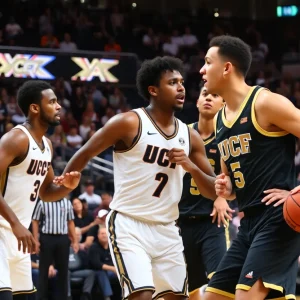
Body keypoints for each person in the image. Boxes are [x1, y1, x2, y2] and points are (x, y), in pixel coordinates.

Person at [55, 56, 232, 300]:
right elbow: (85, 152)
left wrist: (190, 166)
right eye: (172, 82)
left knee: (177, 297)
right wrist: (68, 180)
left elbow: (213, 191)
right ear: (153, 90)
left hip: (168, 228)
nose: (181, 87)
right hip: (129, 224)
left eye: (181, 82)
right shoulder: (129, 122)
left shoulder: (189, 136)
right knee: (142, 295)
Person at [200, 35, 300, 300]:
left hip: (279, 217)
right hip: (248, 222)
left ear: (227, 68)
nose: (201, 70)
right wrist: (227, 188)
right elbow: (232, 185)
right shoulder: (220, 120)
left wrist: (298, 191)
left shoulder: (265, 103)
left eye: (207, 62)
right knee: (213, 297)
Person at [0, 80, 80, 300]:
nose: (59, 106)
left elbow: (46, 192)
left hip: (19, 237)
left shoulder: (47, 145)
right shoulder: (16, 139)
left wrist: (66, 188)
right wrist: (16, 224)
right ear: (35, 108)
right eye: (52, 101)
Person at [178, 86, 232, 300]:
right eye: (204, 94)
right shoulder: (181, 134)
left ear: (224, 105)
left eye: (215, 95)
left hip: (212, 220)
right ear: (198, 102)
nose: (208, 98)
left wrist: (220, 197)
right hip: (180, 220)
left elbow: (233, 174)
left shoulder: (226, 137)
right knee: (186, 286)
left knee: (220, 281)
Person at [32, 197, 78, 300]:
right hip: (47, 237)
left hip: (63, 238)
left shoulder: (67, 202)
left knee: (63, 271)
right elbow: (35, 220)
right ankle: (41, 298)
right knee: (43, 271)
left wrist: (75, 240)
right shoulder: (43, 202)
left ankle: (62, 298)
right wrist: (35, 240)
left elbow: (70, 222)